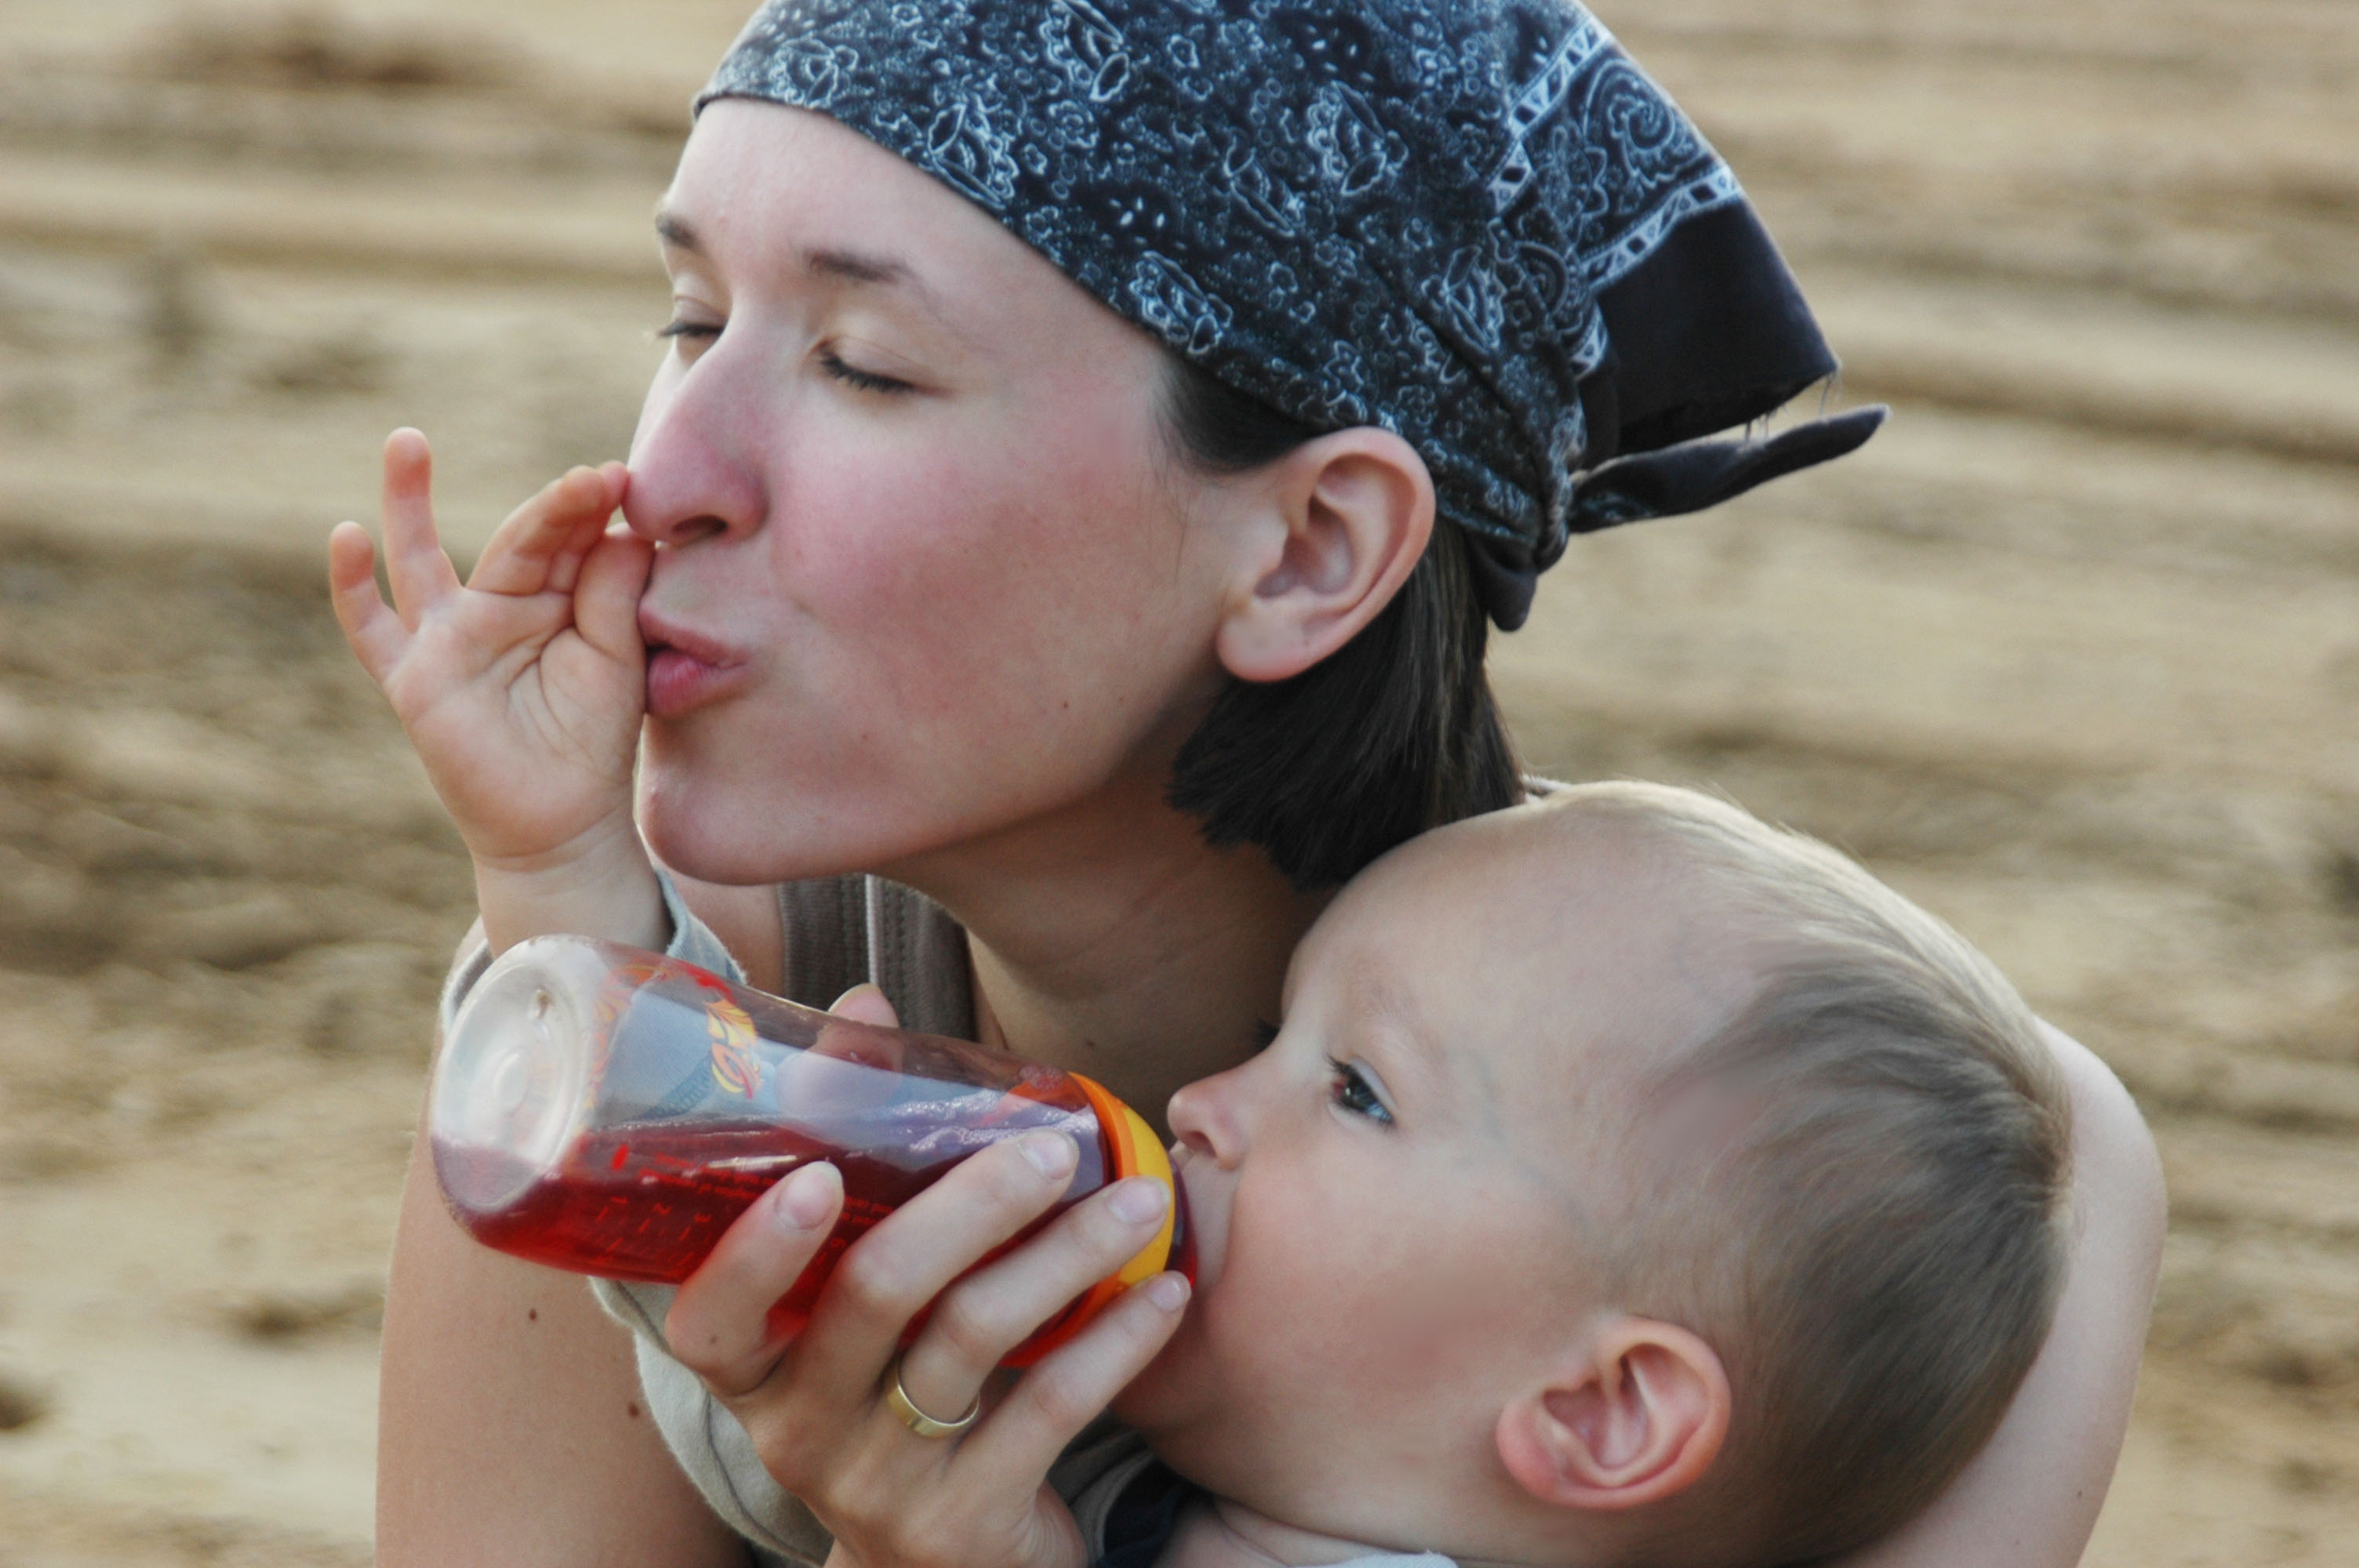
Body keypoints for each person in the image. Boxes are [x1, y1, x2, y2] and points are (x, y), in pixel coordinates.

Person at [330, 2, 2165, 1565]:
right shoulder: (691, 1031)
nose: (672, 475)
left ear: (1308, 549)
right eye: (686, 320)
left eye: (864, 364)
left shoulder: (1876, 1200)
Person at [781, 780, 2077, 1568]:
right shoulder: (1104, 1482)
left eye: (1357, 1091)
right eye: (1268, 1040)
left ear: (1601, 1413)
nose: (1198, 1108)